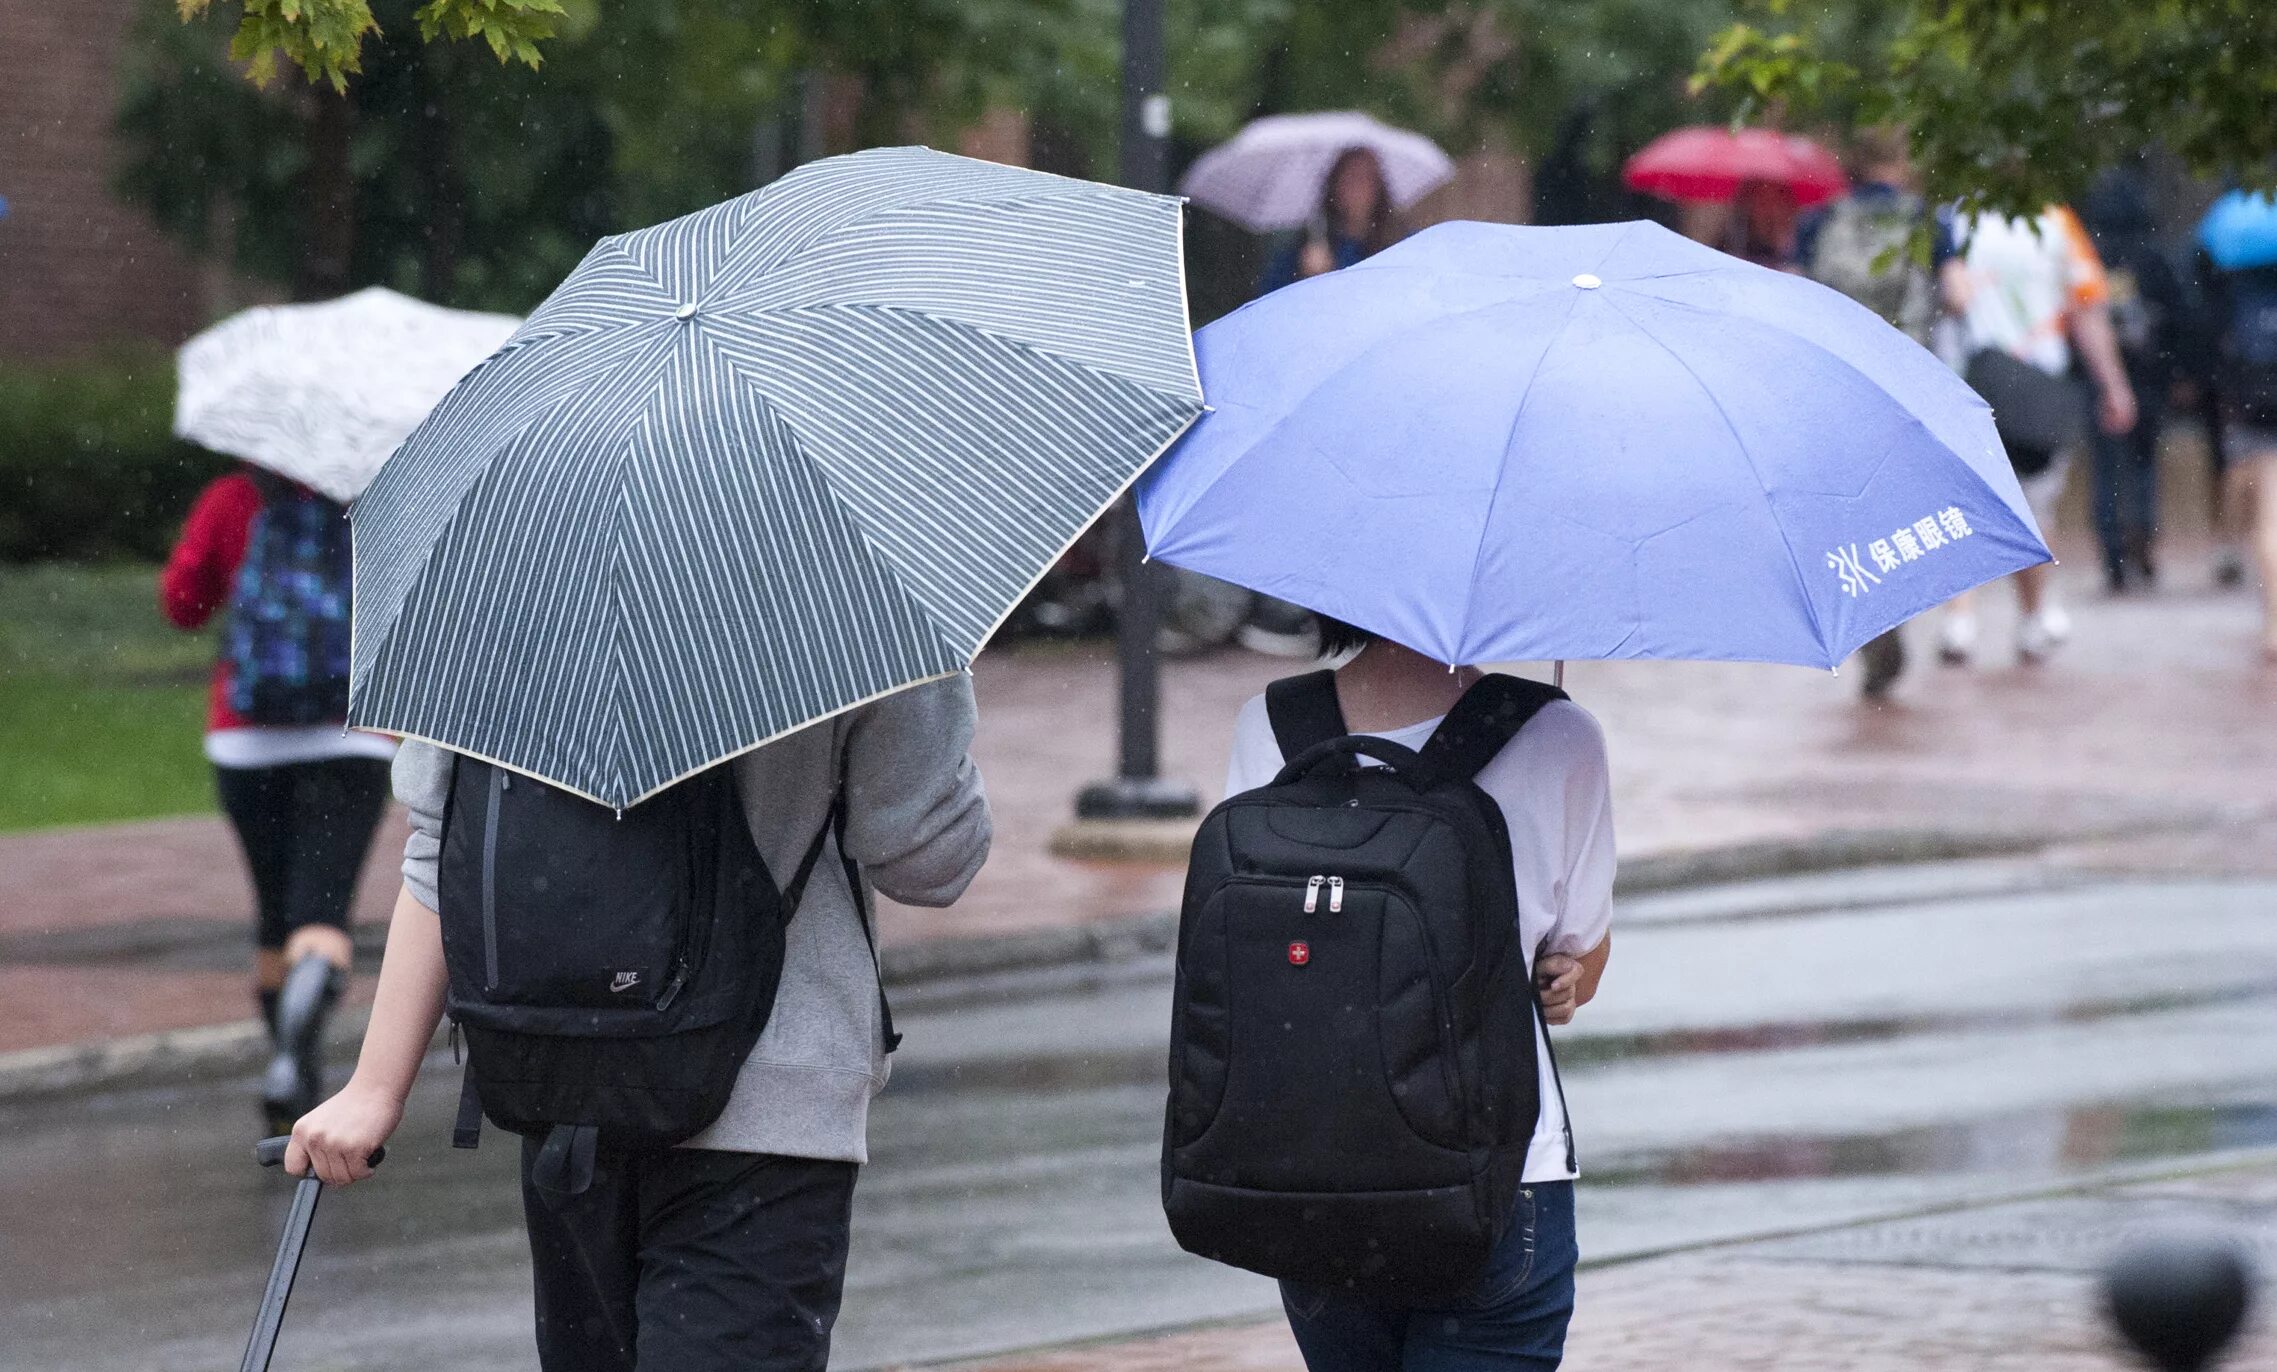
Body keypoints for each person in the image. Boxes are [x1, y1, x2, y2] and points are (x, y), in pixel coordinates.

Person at [285, 678, 990, 1370]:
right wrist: (938, 710)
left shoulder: (503, 618)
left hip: (562, 1078)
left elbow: (440, 849)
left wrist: (375, 1089)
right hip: (768, 1101)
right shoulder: (847, 626)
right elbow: (929, 863)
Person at [1222, 619, 1614, 1370]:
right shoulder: (1557, 734)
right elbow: (1577, 963)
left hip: (1312, 1168)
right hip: (1496, 1167)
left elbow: (1251, 933)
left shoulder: (1268, 723)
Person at [161, 465, 396, 1134]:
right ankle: (298, 1058)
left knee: (274, 912)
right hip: (351, 736)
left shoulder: (232, 497)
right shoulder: (374, 498)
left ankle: (289, 1061)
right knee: (321, 912)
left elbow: (182, 604)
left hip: (247, 739)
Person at [1934, 205, 2138, 664]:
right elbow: (2086, 309)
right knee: (2032, 506)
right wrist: (2113, 383)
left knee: (1963, 502)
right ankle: (2030, 616)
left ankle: (1961, 621)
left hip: (1967, 380)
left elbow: (1949, 297)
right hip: (2037, 381)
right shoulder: (2056, 222)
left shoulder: (1952, 217)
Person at [1804, 126, 1939, 697]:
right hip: (1905, 386)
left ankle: (1869, 624)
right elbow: (1953, 294)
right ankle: (1893, 610)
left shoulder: (1819, 222)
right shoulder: (1926, 223)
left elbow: (1799, 293)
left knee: (1845, 512)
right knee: (1896, 510)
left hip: (1835, 388)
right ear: (1902, 163)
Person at [2080, 166, 2188, 592]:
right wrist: (2176, 372)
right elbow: (2180, 316)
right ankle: (2143, 534)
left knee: (2106, 468)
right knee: (2144, 463)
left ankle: (2113, 551)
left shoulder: (2090, 256)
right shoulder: (2154, 257)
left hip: (2099, 377)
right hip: (2149, 374)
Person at [2201, 231, 2277, 660]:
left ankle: (2274, 623)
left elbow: (2218, 346)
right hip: (2259, 408)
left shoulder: (2239, 277)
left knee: (2267, 519)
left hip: (2258, 407)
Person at [1258, 146, 1397, 295]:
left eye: (1367, 177)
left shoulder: (1395, 248)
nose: (1358, 187)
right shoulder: (1305, 246)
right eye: (1350, 176)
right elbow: (1272, 297)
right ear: (1335, 184)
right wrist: (1306, 279)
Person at [1727, 177, 1802, 273]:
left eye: (1778, 200)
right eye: (1763, 201)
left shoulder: (1801, 243)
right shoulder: (1734, 248)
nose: (1771, 209)